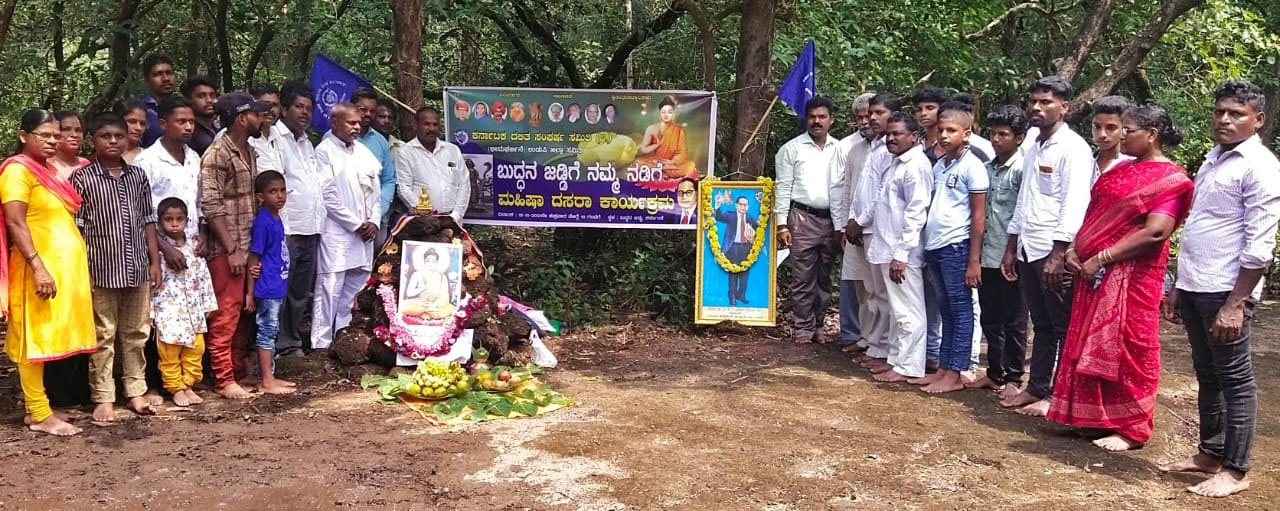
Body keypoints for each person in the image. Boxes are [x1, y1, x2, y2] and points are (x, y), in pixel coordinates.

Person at [1046, 104, 1193, 452]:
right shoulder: (1118, 171)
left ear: (1152, 135)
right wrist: (1074, 250)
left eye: (1128, 130)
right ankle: (1090, 418)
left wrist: (1102, 257)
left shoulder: (1169, 179)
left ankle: (1131, 427)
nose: (1121, 136)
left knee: (1130, 346)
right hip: (1090, 273)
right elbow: (1094, 213)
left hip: (1133, 277)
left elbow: (1156, 232)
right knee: (1087, 341)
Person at [1159, 80, 1280, 498]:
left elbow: (1261, 243)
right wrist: (1179, 284)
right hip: (1196, 284)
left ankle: (1236, 469)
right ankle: (1210, 452)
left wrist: (1237, 301)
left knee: (1236, 379)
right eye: (1220, 111)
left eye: (1237, 113)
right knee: (1207, 373)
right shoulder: (1215, 159)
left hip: (1227, 290)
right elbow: (1198, 226)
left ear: (1258, 120)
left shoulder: (1260, 165)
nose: (1225, 119)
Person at [999, 76, 1093, 416]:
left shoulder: (1074, 150)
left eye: (1046, 102)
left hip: (1053, 253)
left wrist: (1059, 253)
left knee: (1064, 326)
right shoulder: (1035, 146)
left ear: (1064, 108)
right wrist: (1012, 245)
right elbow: (1025, 200)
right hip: (1028, 247)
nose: (1037, 108)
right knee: (1041, 324)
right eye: (1033, 102)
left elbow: (1074, 203)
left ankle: (1060, 396)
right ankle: (1037, 386)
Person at [0, 109, 96, 436]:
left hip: (61, 268)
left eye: (56, 135)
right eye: (45, 135)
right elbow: (15, 222)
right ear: (24, 136)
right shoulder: (17, 171)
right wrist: (38, 267)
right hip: (34, 268)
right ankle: (40, 414)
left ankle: (38, 407)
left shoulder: (46, 171)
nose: (53, 141)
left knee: (47, 336)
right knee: (33, 339)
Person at [72, 113, 164, 422]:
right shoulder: (82, 179)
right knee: (103, 335)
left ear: (127, 139)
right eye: (105, 136)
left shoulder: (137, 176)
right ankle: (103, 397)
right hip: (100, 270)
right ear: (93, 141)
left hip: (137, 266)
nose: (113, 141)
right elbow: (78, 229)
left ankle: (135, 392)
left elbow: (148, 221)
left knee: (136, 333)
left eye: (118, 136)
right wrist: (79, 270)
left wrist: (155, 261)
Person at [200, 92, 271, 399]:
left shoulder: (250, 151)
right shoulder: (217, 153)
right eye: (257, 114)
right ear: (243, 118)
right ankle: (223, 378)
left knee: (245, 312)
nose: (262, 118)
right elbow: (211, 204)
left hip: (249, 244)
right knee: (226, 314)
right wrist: (232, 249)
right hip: (227, 249)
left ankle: (238, 371)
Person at [912, 108, 987, 393]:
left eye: (952, 131)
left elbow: (978, 217)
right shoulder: (940, 165)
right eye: (942, 130)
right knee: (946, 310)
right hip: (935, 244)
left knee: (961, 309)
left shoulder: (973, 166)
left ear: (966, 134)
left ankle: (956, 373)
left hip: (957, 246)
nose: (944, 135)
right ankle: (943, 368)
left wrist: (974, 260)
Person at [967, 105, 1030, 400]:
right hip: (988, 254)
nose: (996, 139)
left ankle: (1014, 376)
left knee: (1015, 319)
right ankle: (994, 373)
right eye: (992, 133)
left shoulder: (1023, 170)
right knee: (990, 316)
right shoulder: (987, 168)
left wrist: (1012, 251)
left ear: (1019, 138)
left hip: (1012, 256)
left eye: (1003, 134)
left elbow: (1022, 214)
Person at [864, 113, 932, 382]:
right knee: (896, 310)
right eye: (889, 134)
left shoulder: (916, 166)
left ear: (914, 137)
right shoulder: (896, 164)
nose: (890, 138)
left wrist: (901, 254)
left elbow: (916, 213)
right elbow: (882, 202)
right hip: (886, 246)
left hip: (902, 252)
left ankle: (909, 367)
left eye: (897, 134)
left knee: (909, 311)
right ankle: (896, 359)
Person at [312, 103, 381, 351]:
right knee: (330, 286)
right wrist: (355, 224)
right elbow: (327, 196)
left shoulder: (363, 152)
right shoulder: (324, 151)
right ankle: (320, 344)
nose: (357, 127)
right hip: (338, 232)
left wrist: (373, 220)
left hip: (365, 233)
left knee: (355, 286)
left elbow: (375, 192)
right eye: (351, 122)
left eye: (358, 123)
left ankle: (343, 338)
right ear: (334, 123)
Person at [775, 96, 842, 344]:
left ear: (831, 120)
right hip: (801, 218)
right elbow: (782, 188)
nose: (817, 121)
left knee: (824, 277)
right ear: (806, 119)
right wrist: (782, 224)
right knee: (803, 277)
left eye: (822, 117)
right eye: (812, 117)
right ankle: (802, 326)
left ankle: (819, 325)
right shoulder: (791, 149)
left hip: (831, 220)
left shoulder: (840, 148)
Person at [848, 92, 900, 370]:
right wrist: (853, 220)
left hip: (881, 230)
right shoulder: (872, 146)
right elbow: (860, 191)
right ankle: (878, 346)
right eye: (870, 114)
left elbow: (881, 195)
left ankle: (890, 352)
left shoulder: (893, 150)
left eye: (878, 113)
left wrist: (861, 220)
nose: (872, 118)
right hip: (866, 230)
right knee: (875, 293)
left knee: (889, 296)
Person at [150, 197, 217, 407]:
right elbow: (151, 284)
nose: (175, 224)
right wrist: (151, 313)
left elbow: (204, 277)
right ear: (160, 222)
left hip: (193, 313)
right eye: (169, 219)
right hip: (169, 313)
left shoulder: (195, 248)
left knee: (195, 351)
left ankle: (188, 385)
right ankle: (176, 388)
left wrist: (209, 304)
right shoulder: (158, 253)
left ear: (187, 221)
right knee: (169, 354)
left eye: (179, 219)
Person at [274, 81, 323, 356]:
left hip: (311, 228)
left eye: (308, 108)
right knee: (282, 288)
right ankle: (278, 344)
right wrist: (285, 229)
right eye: (298, 107)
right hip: (288, 229)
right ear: (284, 109)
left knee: (301, 291)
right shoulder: (276, 140)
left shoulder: (307, 143)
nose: (304, 113)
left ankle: (292, 340)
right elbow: (275, 187)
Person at [829, 92, 876, 353]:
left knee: (878, 289)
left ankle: (878, 343)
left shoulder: (891, 145)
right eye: (859, 117)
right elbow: (841, 189)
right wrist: (842, 225)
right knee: (854, 282)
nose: (865, 121)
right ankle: (854, 334)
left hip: (877, 228)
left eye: (869, 115)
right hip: (851, 227)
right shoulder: (848, 146)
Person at [245, 171, 298, 394]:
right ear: (260, 196)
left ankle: (270, 376)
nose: (280, 196)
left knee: (272, 329)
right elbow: (253, 257)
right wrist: (249, 293)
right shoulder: (263, 223)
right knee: (266, 330)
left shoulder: (276, 218)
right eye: (273, 191)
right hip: (267, 287)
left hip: (277, 284)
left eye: (283, 190)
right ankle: (266, 380)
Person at [135, 96, 201, 244]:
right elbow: (137, 212)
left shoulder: (194, 158)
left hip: (192, 244)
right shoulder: (145, 161)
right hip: (160, 246)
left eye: (191, 122)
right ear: (163, 124)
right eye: (181, 122)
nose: (189, 127)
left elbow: (200, 202)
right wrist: (165, 247)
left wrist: (203, 235)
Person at [394, 107, 469, 224]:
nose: (431, 129)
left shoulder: (452, 150)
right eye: (426, 124)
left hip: (452, 221)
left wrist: (456, 215)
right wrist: (425, 213)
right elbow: (403, 188)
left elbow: (464, 184)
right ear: (415, 125)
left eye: (435, 124)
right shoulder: (406, 152)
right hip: (422, 222)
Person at [353, 88, 396, 240]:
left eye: (372, 110)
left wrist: (377, 213)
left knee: (378, 263)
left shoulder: (381, 142)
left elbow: (389, 180)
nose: (367, 114)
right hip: (344, 224)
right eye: (363, 109)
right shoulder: (333, 138)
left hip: (376, 222)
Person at [635, 95, 698, 179]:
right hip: (655, 161)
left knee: (690, 165)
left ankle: (660, 172)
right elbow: (644, 149)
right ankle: (661, 172)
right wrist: (656, 145)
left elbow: (682, 152)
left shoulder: (679, 129)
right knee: (637, 162)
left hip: (670, 163)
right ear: (659, 112)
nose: (666, 115)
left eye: (669, 112)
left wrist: (673, 162)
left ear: (673, 113)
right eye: (663, 112)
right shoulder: (652, 128)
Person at [714, 193, 758, 306]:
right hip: (732, 248)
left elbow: (759, 230)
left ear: (748, 206)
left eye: (745, 205)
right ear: (736, 205)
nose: (743, 207)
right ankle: (732, 297)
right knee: (733, 274)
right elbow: (719, 217)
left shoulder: (750, 218)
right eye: (741, 204)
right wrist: (718, 204)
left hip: (746, 248)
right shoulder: (730, 215)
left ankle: (741, 295)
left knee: (744, 275)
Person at [400, 248, 456, 320]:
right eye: (428, 261)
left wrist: (434, 305)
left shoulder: (442, 276)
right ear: (424, 261)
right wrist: (423, 288)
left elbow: (445, 296)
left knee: (450, 309)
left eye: (433, 261)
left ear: (436, 262)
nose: (430, 263)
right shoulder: (417, 274)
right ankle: (426, 314)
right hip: (420, 303)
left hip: (436, 305)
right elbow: (409, 293)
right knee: (403, 305)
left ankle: (425, 313)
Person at [1091, 95, 1133, 183]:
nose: (1102, 134)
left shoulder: (1133, 165)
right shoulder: (1083, 162)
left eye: (1111, 128)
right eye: (1097, 127)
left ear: (1125, 128)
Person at [140, 53, 178, 148]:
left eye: (169, 73)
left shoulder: (184, 108)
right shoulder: (141, 111)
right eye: (157, 74)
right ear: (146, 80)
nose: (166, 79)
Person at [246, 83, 284, 174]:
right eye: (265, 104)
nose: (271, 109)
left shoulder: (280, 136)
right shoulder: (240, 135)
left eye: (275, 105)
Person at [181, 76, 221, 155]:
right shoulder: (188, 131)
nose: (209, 100)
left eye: (212, 95)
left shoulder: (220, 127)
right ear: (189, 100)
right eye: (201, 96)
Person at [912, 86, 950, 164]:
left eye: (930, 108)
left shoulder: (949, 142)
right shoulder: (915, 142)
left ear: (942, 109)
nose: (923, 113)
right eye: (919, 110)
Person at [50, 111, 89, 179]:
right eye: (66, 129)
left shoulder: (86, 164)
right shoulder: (46, 164)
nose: (74, 135)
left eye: (78, 130)